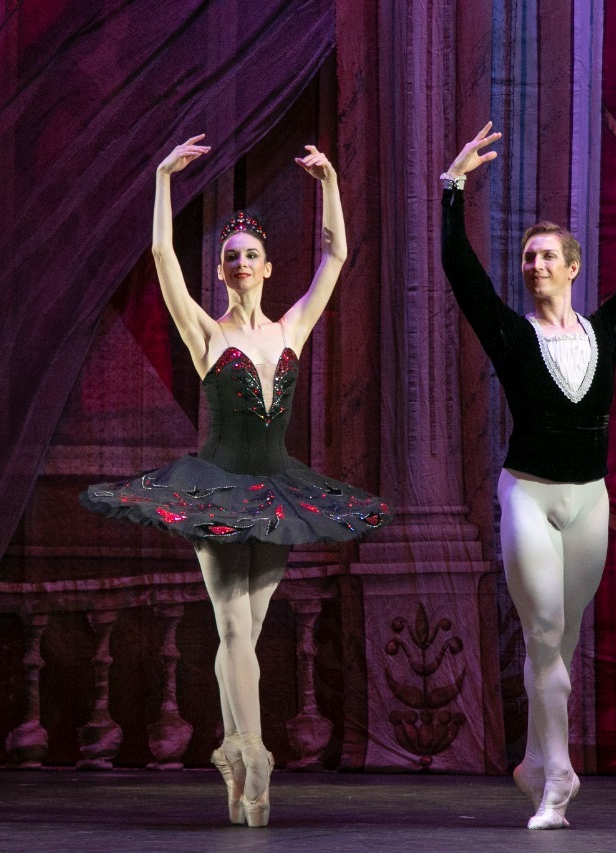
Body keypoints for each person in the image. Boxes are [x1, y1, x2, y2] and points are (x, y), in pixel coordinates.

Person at [81, 135, 390, 827]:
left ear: (267, 268)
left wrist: (330, 182)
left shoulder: (291, 328)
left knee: (247, 630)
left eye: (250, 255)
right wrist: (162, 177)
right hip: (216, 489)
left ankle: (230, 748)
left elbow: (337, 255)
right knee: (230, 623)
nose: (241, 263)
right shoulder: (206, 334)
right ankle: (254, 754)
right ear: (221, 273)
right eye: (230, 257)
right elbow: (162, 256)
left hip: (276, 491)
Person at [440, 118, 616, 829]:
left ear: (573, 267)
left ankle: (532, 762)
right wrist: (452, 187)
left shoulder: (607, 330)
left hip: (590, 502)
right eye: (527, 257)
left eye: (547, 256)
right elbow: (462, 274)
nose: (534, 264)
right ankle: (559, 778)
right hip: (529, 495)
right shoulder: (512, 334)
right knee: (543, 628)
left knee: (559, 643)